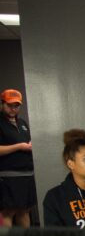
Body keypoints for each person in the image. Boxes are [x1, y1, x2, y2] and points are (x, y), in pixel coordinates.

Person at [0, 89, 35, 227]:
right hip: (8, 176)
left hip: (27, 174)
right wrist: (19, 146)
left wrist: (31, 144)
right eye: (9, 105)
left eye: (16, 105)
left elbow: (27, 142)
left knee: (25, 210)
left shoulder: (22, 123)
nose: (13, 109)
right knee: (7, 213)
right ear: (2, 104)